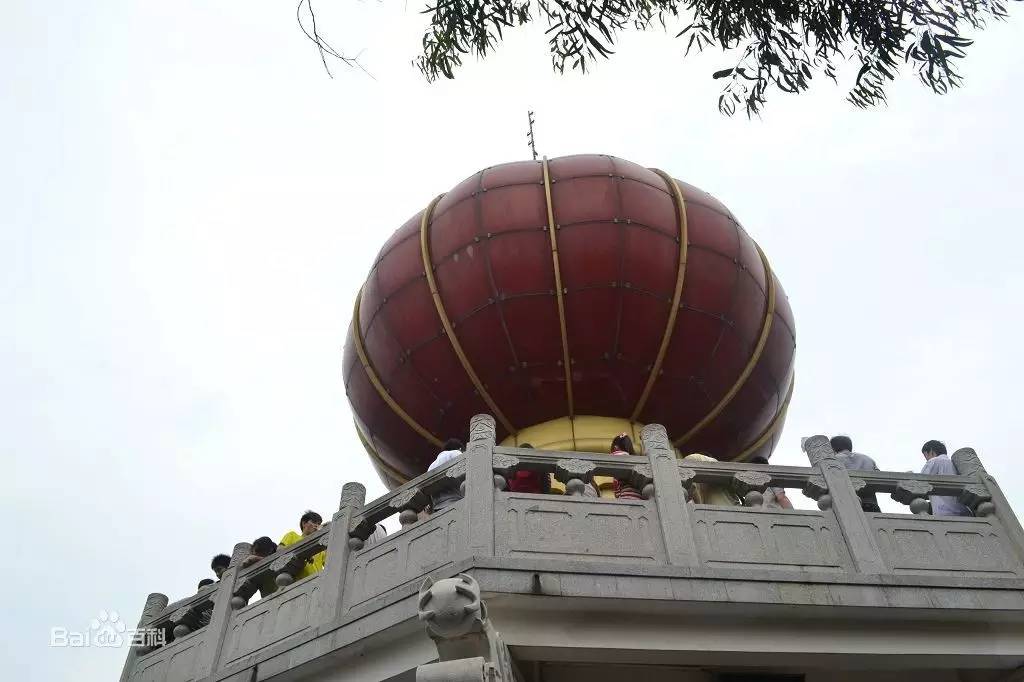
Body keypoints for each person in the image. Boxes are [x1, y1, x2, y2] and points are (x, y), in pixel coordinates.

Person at [829, 435, 881, 513]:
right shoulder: (867, 459)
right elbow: (879, 477)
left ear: (832, 448)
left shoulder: (833, 460)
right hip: (871, 504)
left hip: (846, 504)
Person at [920, 440, 971, 516]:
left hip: (945, 512)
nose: (926, 459)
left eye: (926, 456)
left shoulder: (934, 461)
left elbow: (920, 481)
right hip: (964, 511)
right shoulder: (953, 464)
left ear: (931, 451)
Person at [279, 511, 326, 580]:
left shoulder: (320, 547)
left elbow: (329, 563)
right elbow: (280, 550)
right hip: (298, 582)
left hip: (317, 582)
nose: (316, 525)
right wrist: (303, 554)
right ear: (304, 523)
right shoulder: (292, 535)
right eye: (314, 522)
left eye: (318, 524)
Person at [428, 438, 465, 512]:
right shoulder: (456, 453)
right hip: (454, 500)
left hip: (437, 506)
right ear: (460, 449)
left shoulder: (431, 466)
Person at [608, 433, 642, 500]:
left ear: (615, 447)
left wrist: (617, 494)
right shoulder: (635, 459)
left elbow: (616, 484)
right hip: (640, 496)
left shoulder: (616, 456)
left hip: (626, 494)